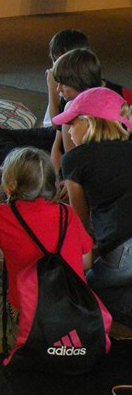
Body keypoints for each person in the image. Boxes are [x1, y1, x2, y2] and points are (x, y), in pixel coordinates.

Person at [0, 147, 93, 347]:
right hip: (73, 320)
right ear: (52, 183)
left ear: (8, 187)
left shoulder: (1, 214)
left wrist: (2, 266)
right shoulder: (66, 213)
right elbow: (86, 262)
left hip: (25, 331)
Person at [53, 87, 132, 327]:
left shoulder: (76, 159)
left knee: (86, 286)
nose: (69, 132)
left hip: (125, 252)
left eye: (71, 124)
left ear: (87, 123)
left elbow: (80, 227)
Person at [0, 29, 90, 167]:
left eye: (58, 60)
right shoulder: (67, 81)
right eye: (53, 60)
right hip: (55, 135)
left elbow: (57, 125)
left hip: (68, 137)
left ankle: (24, 167)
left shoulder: (74, 86)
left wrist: (52, 87)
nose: (54, 66)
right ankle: (7, 167)